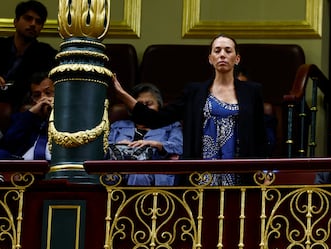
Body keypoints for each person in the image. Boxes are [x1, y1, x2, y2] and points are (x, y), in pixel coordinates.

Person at [111, 33, 270, 186]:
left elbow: (260, 137)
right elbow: (157, 119)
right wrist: (123, 95)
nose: (222, 54)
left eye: (228, 50)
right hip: (199, 176)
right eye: (217, 50)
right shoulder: (194, 92)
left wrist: (265, 171)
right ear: (210, 59)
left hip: (240, 175)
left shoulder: (252, 92)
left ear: (237, 59)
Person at [108, 83, 183, 186]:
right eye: (139, 104)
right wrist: (118, 146)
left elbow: (179, 147)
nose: (144, 109)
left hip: (157, 177)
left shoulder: (172, 126)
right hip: (118, 175)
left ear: (159, 105)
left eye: (149, 104)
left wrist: (156, 144)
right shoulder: (117, 126)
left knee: (139, 175)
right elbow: (104, 151)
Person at [0, 0, 57, 111]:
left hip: (20, 107)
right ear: (15, 22)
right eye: (28, 18)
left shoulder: (46, 54)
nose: (33, 24)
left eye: (38, 22)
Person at [0, 72, 53, 160]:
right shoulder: (24, 118)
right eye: (37, 95)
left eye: (48, 93)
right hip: (25, 166)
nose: (43, 99)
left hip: (57, 163)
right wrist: (30, 114)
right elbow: (7, 144)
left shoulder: (68, 115)